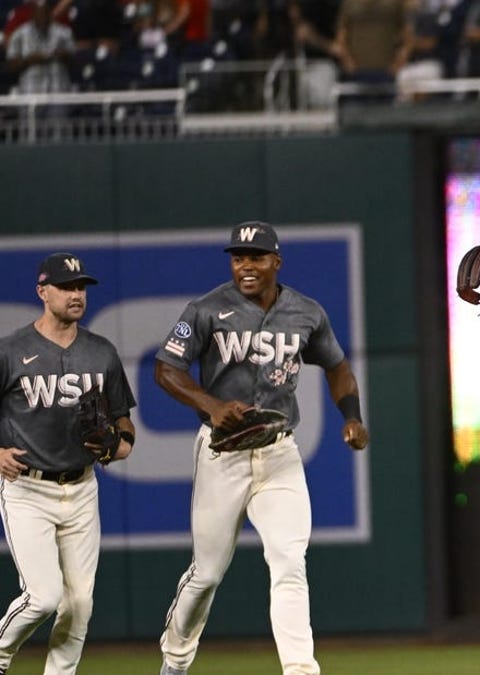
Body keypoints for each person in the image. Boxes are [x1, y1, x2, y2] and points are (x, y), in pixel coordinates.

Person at [155, 222, 369, 675]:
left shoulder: (306, 312)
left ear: (276, 262)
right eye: (238, 257)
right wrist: (210, 404)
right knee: (207, 573)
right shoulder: (207, 309)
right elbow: (165, 369)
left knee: (290, 562)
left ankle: (299, 669)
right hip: (222, 453)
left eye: (256, 257)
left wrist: (352, 415)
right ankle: (175, 659)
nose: (246, 266)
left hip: (278, 454)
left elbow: (338, 367)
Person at [0, 252, 136, 675]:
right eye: (67, 287)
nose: (77, 295)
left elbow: (123, 423)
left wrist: (118, 446)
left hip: (81, 488)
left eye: (81, 287)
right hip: (27, 488)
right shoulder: (11, 351)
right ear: (43, 292)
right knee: (42, 597)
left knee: (79, 604)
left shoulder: (102, 353)